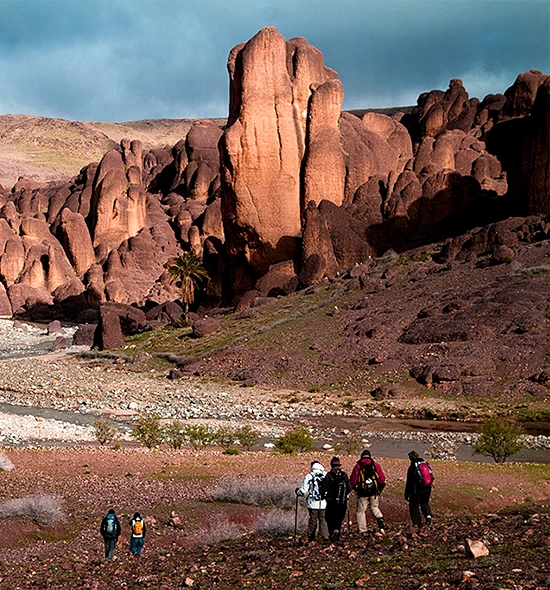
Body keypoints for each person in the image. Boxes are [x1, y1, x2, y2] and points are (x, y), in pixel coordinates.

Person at [349, 449, 386, 534]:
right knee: (374, 507)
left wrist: (352, 488)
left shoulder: (358, 466)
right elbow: (382, 479)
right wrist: (379, 489)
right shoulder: (376, 465)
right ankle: (380, 518)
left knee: (360, 511)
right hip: (374, 491)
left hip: (362, 492)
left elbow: (353, 480)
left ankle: (363, 530)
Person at [295, 460, 329, 542]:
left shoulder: (309, 476)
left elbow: (303, 491)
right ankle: (325, 536)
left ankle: (311, 537)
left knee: (313, 520)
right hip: (324, 502)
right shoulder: (326, 475)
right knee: (323, 519)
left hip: (313, 503)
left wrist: (297, 492)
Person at [321, 456, 352, 542]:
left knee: (329, 518)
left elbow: (324, 488)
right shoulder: (344, 475)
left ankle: (332, 534)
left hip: (331, 502)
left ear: (331, 465)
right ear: (339, 465)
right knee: (339, 518)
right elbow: (349, 488)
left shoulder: (329, 475)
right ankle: (337, 532)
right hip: (343, 501)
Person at [405, 450, 433, 529]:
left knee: (413, 505)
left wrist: (406, 494)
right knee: (424, 502)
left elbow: (409, 482)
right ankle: (428, 515)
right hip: (427, 488)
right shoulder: (425, 464)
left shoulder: (412, 467)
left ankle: (417, 523)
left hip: (417, 490)